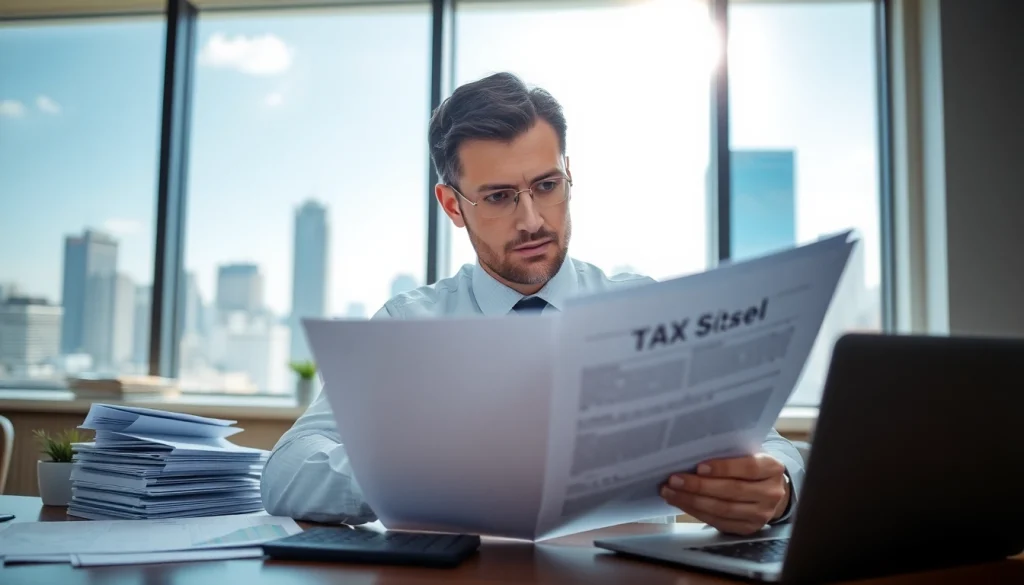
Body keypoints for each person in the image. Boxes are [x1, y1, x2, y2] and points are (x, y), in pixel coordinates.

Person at [261, 72, 802, 536]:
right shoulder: (407, 325)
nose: (533, 221)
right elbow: (286, 471)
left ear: (570, 176)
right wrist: (430, 473)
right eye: (499, 197)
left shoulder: (645, 306)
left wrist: (777, 492)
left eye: (547, 186)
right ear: (453, 205)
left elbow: (775, 451)